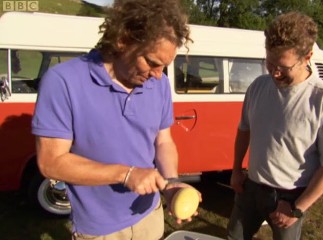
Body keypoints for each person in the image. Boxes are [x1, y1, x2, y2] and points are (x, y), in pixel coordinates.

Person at [31, 0, 200, 239]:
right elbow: (51, 162)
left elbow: (163, 142)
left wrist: (171, 183)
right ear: (123, 39)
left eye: (164, 66)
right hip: (99, 228)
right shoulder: (63, 82)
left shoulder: (159, 83)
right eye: (152, 62)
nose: (158, 75)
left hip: (150, 215)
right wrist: (126, 174)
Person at [227, 11, 323, 240]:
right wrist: (236, 170)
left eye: (283, 66)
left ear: (307, 57)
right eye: (269, 62)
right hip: (251, 187)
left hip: (289, 197)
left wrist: (298, 207)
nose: (274, 72)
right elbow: (244, 129)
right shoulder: (258, 86)